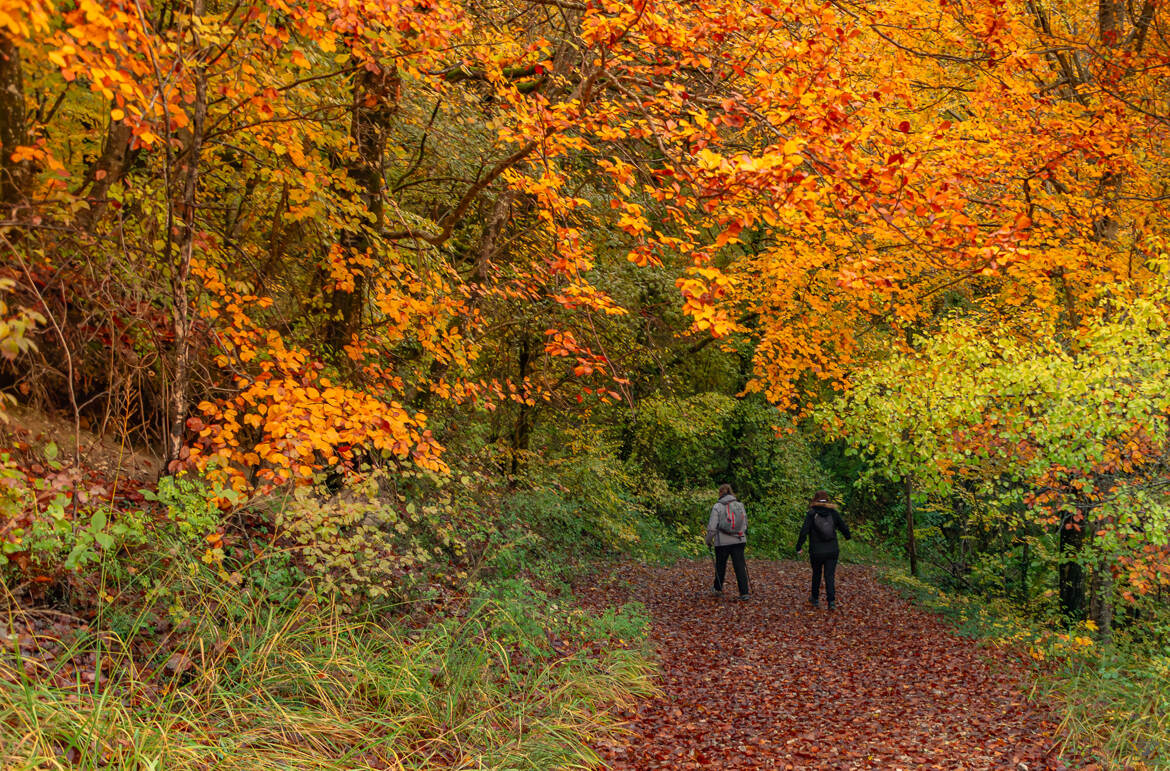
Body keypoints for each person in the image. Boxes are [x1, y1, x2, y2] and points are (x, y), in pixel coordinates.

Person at [795, 490, 851, 610]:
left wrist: (799, 547)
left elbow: (804, 531)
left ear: (815, 500)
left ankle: (815, 598)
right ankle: (831, 602)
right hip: (832, 550)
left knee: (817, 573)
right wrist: (847, 536)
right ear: (827, 500)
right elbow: (843, 527)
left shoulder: (811, 514)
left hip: (816, 551)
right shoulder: (833, 513)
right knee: (829, 575)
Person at [706, 483, 749, 600]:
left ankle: (718, 589)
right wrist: (740, 534)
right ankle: (744, 592)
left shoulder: (717, 507)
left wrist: (708, 540)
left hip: (722, 542)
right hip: (739, 540)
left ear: (720, 493)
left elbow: (712, 527)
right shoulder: (740, 505)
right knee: (740, 566)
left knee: (720, 565)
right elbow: (745, 524)